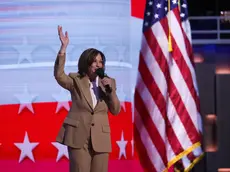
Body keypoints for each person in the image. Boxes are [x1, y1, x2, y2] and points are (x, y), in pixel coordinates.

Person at [54, 25, 121, 172]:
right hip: (79, 137)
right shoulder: (76, 80)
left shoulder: (109, 82)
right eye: (94, 61)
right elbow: (59, 76)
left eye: (101, 62)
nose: (98, 64)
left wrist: (111, 92)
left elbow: (116, 110)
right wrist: (63, 49)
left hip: (101, 138)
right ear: (86, 62)